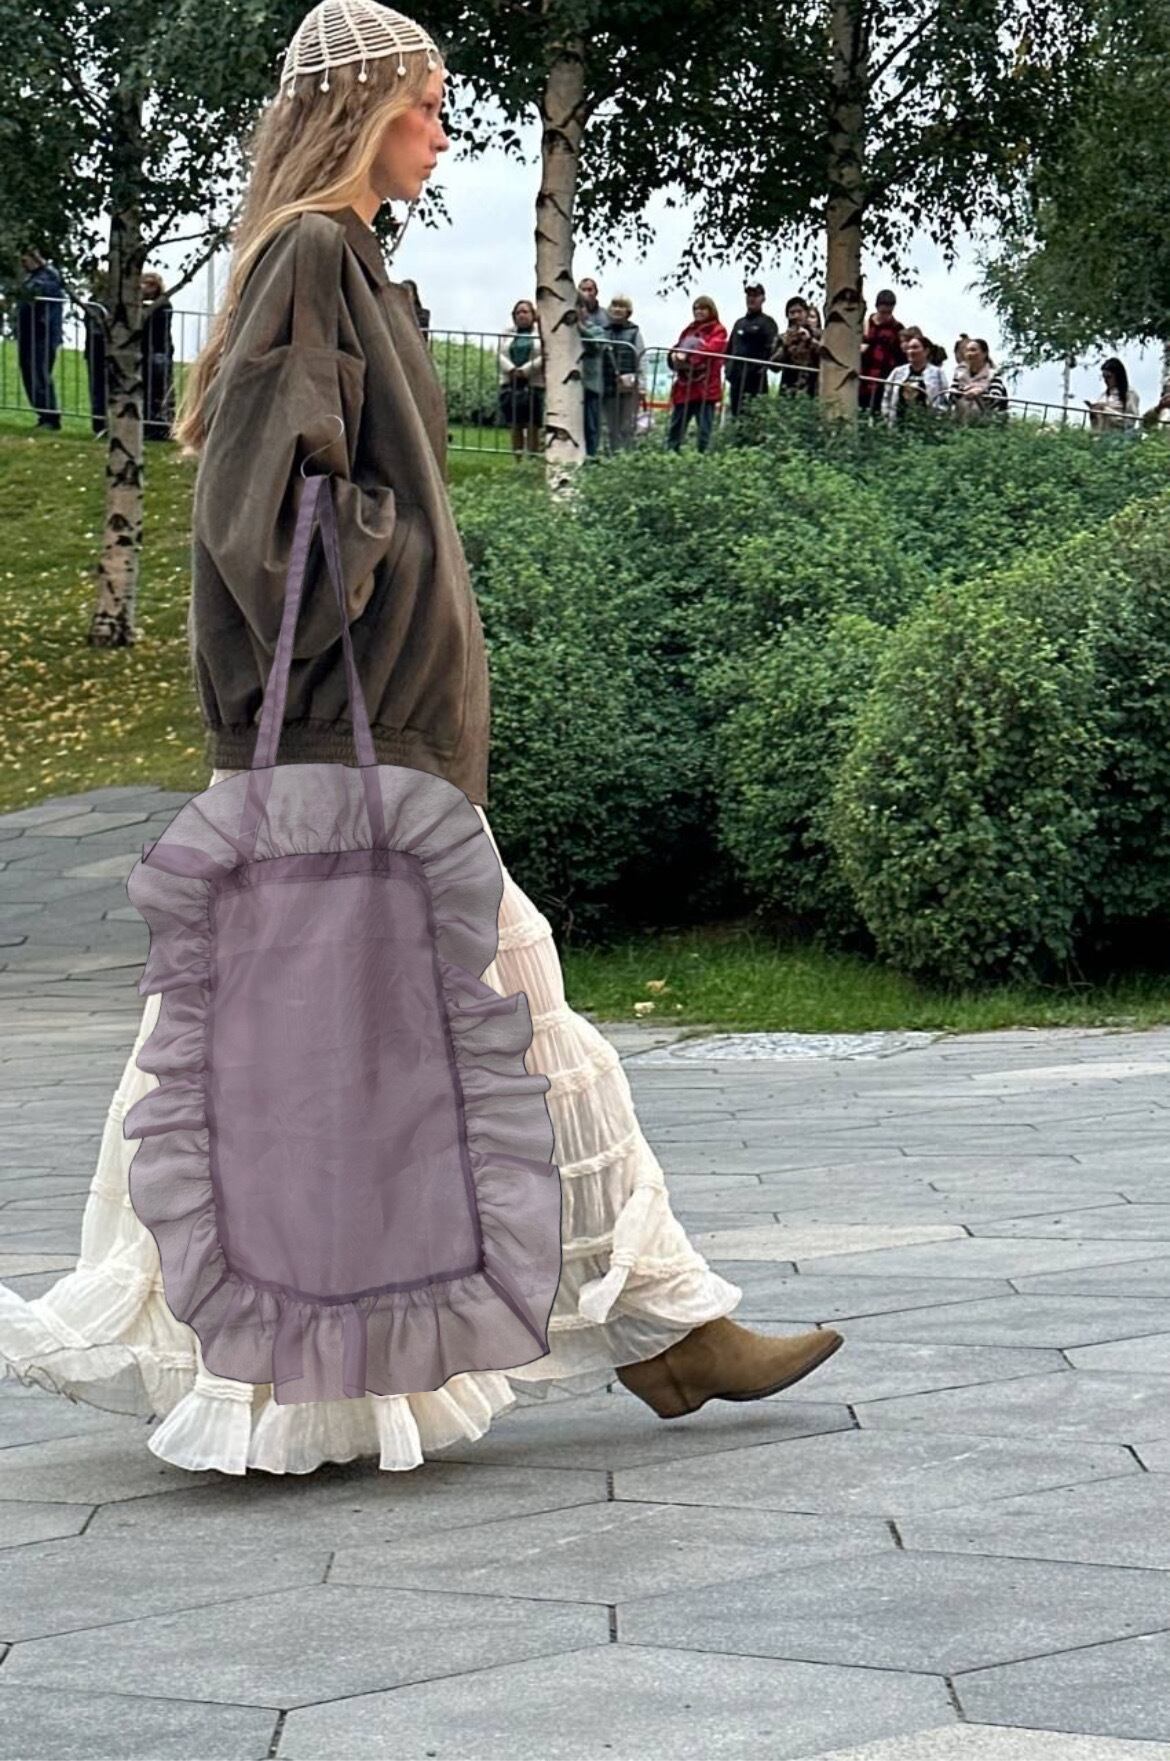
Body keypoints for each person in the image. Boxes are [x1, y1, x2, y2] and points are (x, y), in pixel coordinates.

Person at [0, 0, 842, 1478]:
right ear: (362, 109)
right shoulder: (313, 256)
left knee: (273, 1046)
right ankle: (664, 1324)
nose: (445, 131)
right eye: (427, 103)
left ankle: (628, 1326)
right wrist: (390, 561)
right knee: (491, 1012)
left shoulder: (345, 260)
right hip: (355, 745)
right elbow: (266, 521)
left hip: (375, 740)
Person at [666, 295, 728, 452]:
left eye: (703, 308)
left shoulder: (718, 330)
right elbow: (678, 347)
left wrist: (687, 358)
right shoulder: (689, 330)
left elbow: (711, 350)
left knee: (704, 432)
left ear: (711, 310)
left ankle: (703, 459)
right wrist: (673, 357)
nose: (698, 312)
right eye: (696, 308)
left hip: (705, 389)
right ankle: (670, 456)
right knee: (676, 429)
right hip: (685, 387)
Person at [16, 246, 66, 429]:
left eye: (26, 259)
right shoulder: (31, 278)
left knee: (39, 373)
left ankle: (50, 416)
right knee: (29, 373)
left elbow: (46, 288)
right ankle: (42, 413)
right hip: (28, 332)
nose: (23, 263)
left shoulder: (49, 276)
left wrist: (42, 263)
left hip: (43, 333)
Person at [498, 299, 545, 456]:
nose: (521, 315)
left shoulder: (541, 333)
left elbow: (544, 355)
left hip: (533, 383)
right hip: (511, 384)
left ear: (533, 314)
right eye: (518, 312)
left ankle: (532, 458)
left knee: (533, 425)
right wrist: (512, 370)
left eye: (525, 312)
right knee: (515, 424)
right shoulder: (508, 333)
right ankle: (517, 459)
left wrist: (526, 370)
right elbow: (500, 354)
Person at [725, 282, 778, 417]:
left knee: (755, 419)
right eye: (749, 295)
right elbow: (729, 350)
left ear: (763, 298)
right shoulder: (739, 323)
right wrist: (728, 371)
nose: (751, 299)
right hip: (736, 381)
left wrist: (760, 368)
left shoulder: (768, 323)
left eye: (755, 295)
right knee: (736, 419)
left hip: (756, 382)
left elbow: (772, 350)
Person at [601, 294, 645, 453]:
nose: (617, 309)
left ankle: (626, 455)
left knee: (627, 425)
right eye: (615, 306)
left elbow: (641, 357)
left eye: (621, 306)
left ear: (628, 311)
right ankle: (613, 455)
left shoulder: (634, 332)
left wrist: (641, 384)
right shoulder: (603, 331)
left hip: (629, 386)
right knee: (611, 426)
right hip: (608, 384)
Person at [881, 327, 950, 425]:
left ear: (926, 351)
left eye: (915, 348)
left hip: (925, 424)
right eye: (909, 348)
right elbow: (887, 396)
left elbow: (942, 399)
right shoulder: (897, 372)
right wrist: (886, 418)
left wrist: (937, 422)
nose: (911, 351)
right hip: (898, 423)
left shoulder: (937, 373)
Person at [141, 271, 176, 441]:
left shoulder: (162, 305)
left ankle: (162, 427)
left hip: (159, 351)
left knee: (160, 389)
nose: (144, 288)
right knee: (148, 389)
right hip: (147, 351)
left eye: (149, 284)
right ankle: (149, 425)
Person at [859, 288, 904, 415]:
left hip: (883, 379)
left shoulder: (897, 329)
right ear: (877, 307)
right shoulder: (864, 325)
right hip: (862, 377)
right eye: (883, 312)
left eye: (889, 312)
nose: (885, 316)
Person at [575, 280, 607, 458]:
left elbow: (596, 346)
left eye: (582, 307)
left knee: (590, 426)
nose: (579, 311)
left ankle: (591, 458)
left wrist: (580, 329)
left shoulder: (596, 330)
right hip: (569, 386)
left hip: (590, 386)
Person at [950, 337, 1009, 423]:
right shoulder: (959, 374)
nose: (969, 354)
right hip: (960, 421)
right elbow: (951, 397)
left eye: (973, 350)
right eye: (967, 350)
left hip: (985, 423)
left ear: (984, 353)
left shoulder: (993, 374)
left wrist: (980, 393)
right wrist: (964, 391)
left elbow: (996, 399)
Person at [81, 267, 110, 438]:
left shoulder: (104, 303)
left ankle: (102, 423)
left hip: (101, 349)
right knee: (97, 388)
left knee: (102, 388)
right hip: (94, 349)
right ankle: (99, 423)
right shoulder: (93, 301)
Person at [772, 295, 821, 397]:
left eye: (799, 312)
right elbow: (774, 367)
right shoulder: (782, 338)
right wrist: (785, 347)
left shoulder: (818, 335)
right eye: (792, 313)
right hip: (787, 392)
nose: (796, 316)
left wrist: (810, 340)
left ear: (806, 313)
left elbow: (826, 357)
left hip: (812, 391)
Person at [1087, 357, 1140, 434]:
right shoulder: (1103, 396)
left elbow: (1130, 420)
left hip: (1119, 436)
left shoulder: (1129, 393)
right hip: (1102, 435)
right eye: (1104, 377)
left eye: (1108, 377)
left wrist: (1106, 410)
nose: (1105, 380)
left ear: (1117, 376)